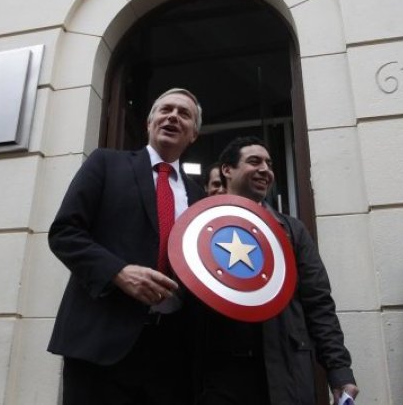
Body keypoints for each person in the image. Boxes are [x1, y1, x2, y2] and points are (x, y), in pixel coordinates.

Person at [47, 88, 206, 405]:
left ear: (193, 135)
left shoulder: (199, 197)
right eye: (165, 110)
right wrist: (117, 272)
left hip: (171, 353)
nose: (173, 116)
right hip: (102, 344)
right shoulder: (106, 163)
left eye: (184, 114)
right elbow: (64, 232)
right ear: (149, 122)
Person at [194, 136, 358, 405]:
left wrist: (339, 371)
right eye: (254, 161)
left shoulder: (293, 231)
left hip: (284, 373)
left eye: (269, 164)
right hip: (220, 377)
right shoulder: (198, 227)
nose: (265, 170)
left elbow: (318, 303)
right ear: (227, 170)